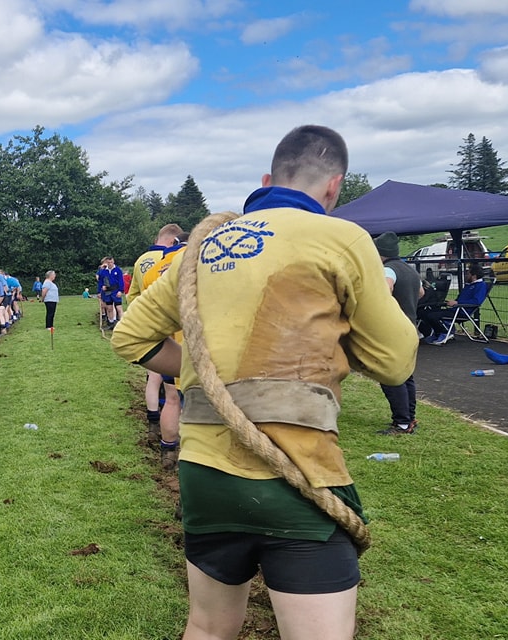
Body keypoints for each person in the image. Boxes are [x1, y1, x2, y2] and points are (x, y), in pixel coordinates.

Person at [111, 125, 417, 640]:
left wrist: (201, 377)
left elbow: (130, 338)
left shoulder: (199, 249)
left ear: (266, 179)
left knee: (208, 628)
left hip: (204, 473)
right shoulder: (343, 238)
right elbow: (394, 363)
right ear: (333, 187)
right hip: (296, 471)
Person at [129, 223, 188, 464]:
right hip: (191, 345)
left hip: (161, 339)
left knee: (170, 397)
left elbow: (134, 299)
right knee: (195, 405)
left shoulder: (150, 266)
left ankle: (167, 449)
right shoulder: (195, 261)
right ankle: (190, 460)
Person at [373, 232, 423, 435]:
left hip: (393, 329)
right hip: (411, 327)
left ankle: (401, 423)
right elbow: (421, 293)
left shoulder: (389, 269)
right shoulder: (409, 270)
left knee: (391, 376)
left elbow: (386, 287)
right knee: (406, 374)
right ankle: (409, 418)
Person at [418, 266, 488, 345]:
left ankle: (445, 332)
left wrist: (457, 303)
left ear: (474, 276)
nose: (466, 275)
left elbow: (477, 301)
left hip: (462, 311)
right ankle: (436, 332)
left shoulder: (481, 286)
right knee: (423, 312)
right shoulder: (469, 285)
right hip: (455, 309)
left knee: (432, 316)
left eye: (468, 274)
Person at [97, 257, 124, 328]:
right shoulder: (103, 271)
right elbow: (100, 280)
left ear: (113, 262)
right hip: (107, 292)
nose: (110, 264)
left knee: (119, 308)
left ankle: (123, 324)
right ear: (106, 263)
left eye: (111, 262)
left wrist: (121, 291)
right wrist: (99, 291)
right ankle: (111, 322)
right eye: (108, 262)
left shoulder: (118, 270)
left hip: (116, 291)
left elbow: (121, 280)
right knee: (109, 308)